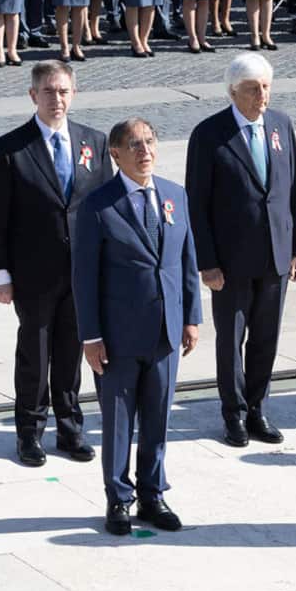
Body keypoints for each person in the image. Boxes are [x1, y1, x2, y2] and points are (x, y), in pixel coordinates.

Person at [75, 117, 202, 536]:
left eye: (149, 141)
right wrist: (90, 336)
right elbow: (84, 276)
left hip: (165, 329)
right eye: (133, 144)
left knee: (158, 416)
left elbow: (186, 260)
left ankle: (152, 493)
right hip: (118, 335)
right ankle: (118, 496)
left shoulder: (174, 195)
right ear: (115, 154)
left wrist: (191, 317)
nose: (144, 151)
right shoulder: (98, 205)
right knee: (117, 419)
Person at [0, 60, 113, 466]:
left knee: (73, 352)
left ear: (73, 94)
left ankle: (70, 429)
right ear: (33, 96)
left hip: (81, 272)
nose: (57, 99)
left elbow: (105, 207)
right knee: (35, 356)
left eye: (63, 91)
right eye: (49, 91)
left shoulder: (94, 141)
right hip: (34, 273)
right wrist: (0, 273)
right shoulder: (11, 147)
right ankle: (30, 433)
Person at [185, 54, 296, 447]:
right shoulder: (209, 134)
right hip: (231, 260)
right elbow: (196, 204)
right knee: (230, 339)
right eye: (254, 89)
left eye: (267, 87)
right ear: (233, 91)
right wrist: (207, 262)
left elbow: (293, 191)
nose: (262, 96)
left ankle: (258, 408)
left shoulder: (281, 124)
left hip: (275, 252)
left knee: (266, 337)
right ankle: (233, 413)